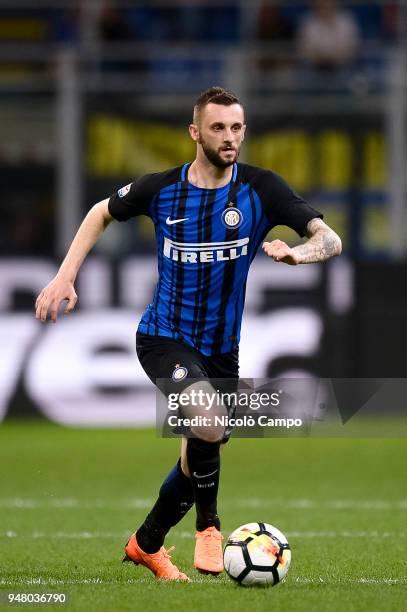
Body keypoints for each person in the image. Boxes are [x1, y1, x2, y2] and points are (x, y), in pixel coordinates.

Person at [35, 86, 342, 581]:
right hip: (164, 336)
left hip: (223, 348)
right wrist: (65, 275)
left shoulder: (262, 189)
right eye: (218, 127)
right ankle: (209, 528)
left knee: (200, 450)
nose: (229, 137)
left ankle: (146, 544)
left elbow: (330, 239)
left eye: (237, 127)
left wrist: (297, 253)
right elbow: (100, 212)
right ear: (195, 132)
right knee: (209, 420)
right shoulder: (161, 189)